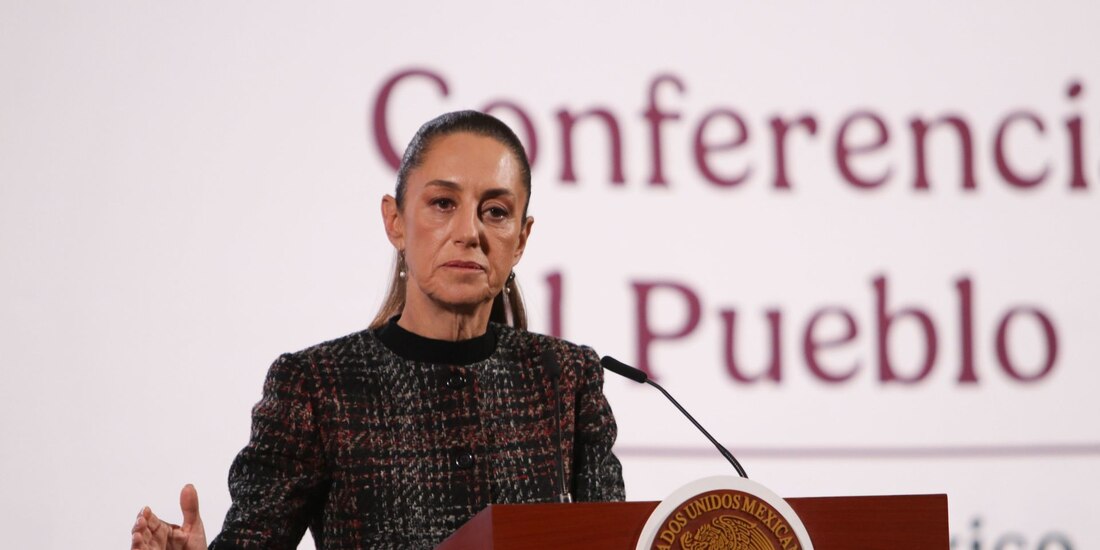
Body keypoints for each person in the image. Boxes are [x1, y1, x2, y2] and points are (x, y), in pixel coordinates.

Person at [130, 110, 625, 549]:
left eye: (495, 212)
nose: (470, 232)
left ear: (520, 239)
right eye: (442, 204)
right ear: (395, 222)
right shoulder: (318, 386)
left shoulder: (566, 378)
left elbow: (619, 540)